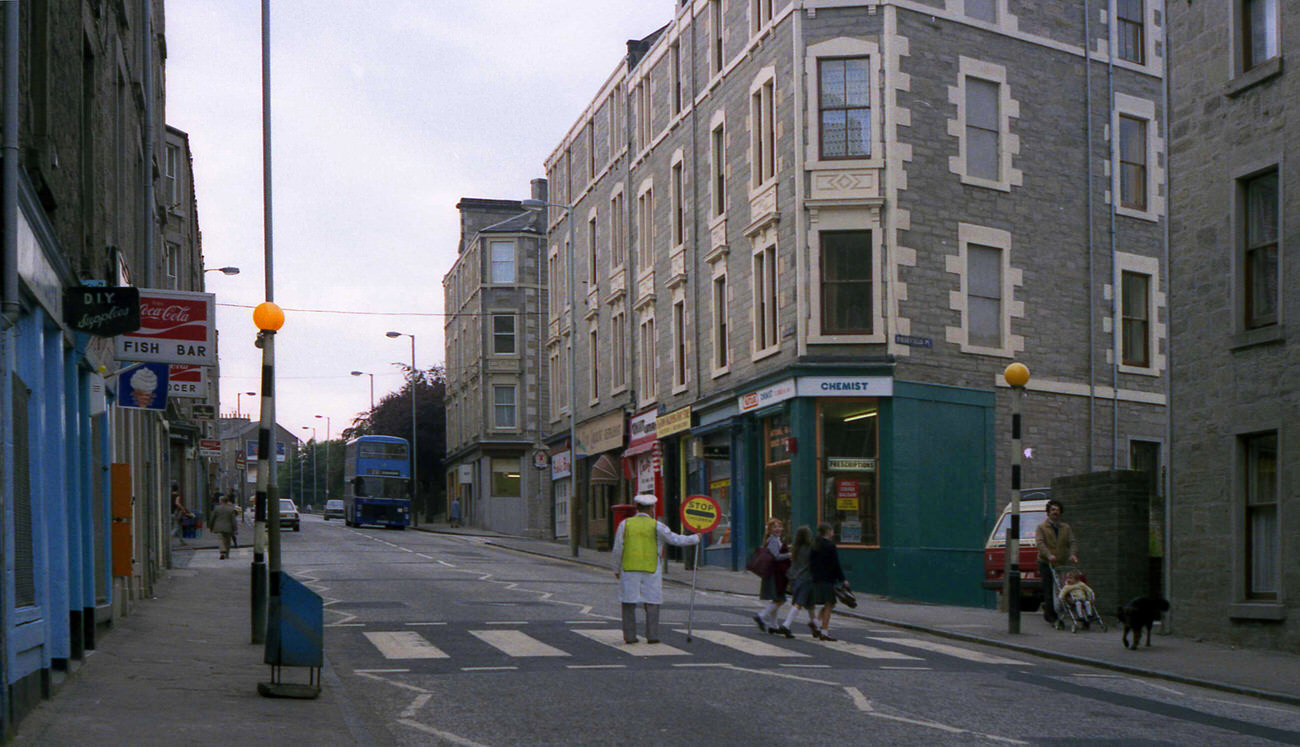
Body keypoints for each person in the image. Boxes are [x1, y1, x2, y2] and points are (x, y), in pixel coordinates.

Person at [611, 493, 702, 644]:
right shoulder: (657, 526)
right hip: (651, 569)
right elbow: (674, 539)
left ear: (636, 508)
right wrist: (695, 538)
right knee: (652, 602)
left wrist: (616, 568)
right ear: (651, 509)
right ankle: (652, 636)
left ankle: (630, 637)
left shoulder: (625, 524)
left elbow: (618, 548)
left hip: (629, 569)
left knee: (628, 603)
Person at [1035, 499, 1078, 624]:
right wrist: (1048, 555)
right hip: (1045, 563)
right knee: (1049, 589)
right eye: (1053, 510)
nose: (1055, 512)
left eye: (1058, 510)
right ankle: (1051, 616)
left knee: (1061, 588)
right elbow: (1040, 543)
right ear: (1048, 512)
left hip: (1060, 563)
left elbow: (1072, 542)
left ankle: (1060, 611)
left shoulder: (1066, 527)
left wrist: (1073, 554)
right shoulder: (1041, 527)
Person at [776, 525, 818, 638]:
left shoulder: (795, 548)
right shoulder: (810, 548)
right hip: (807, 579)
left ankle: (816, 627)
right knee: (798, 604)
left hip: (796, 579)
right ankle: (786, 624)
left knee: (810, 605)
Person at [809, 523, 847, 641]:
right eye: (832, 530)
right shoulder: (830, 545)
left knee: (826, 602)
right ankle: (824, 630)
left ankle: (816, 621)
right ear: (828, 532)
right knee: (830, 603)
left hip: (816, 577)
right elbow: (835, 564)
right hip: (827, 578)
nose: (833, 533)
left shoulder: (815, 544)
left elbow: (810, 561)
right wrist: (842, 579)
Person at [754, 518, 792, 637]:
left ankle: (773, 626)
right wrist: (790, 555)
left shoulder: (776, 539)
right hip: (775, 574)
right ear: (770, 530)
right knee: (780, 599)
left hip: (776, 573)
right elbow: (776, 556)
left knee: (776, 598)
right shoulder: (773, 541)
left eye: (779, 526)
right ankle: (761, 616)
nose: (778, 529)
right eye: (775, 527)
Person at [208, 495, 239, 560]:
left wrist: (211, 527)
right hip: (228, 528)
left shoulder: (217, 508)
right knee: (227, 541)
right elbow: (233, 520)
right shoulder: (230, 509)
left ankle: (222, 551)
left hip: (218, 527)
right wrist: (235, 529)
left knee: (221, 540)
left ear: (221, 501)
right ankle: (227, 554)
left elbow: (212, 518)